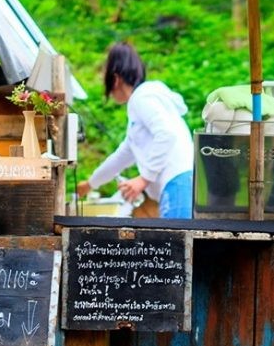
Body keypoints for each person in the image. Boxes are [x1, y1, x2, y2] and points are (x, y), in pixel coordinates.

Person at [77, 42, 194, 218]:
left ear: (115, 79)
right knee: (178, 235)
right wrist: (90, 184)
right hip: (178, 183)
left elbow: (167, 134)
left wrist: (144, 178)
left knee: (178, 236)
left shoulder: (142, 98)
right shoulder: (142, 105)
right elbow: (120, 157)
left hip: (177, 182)